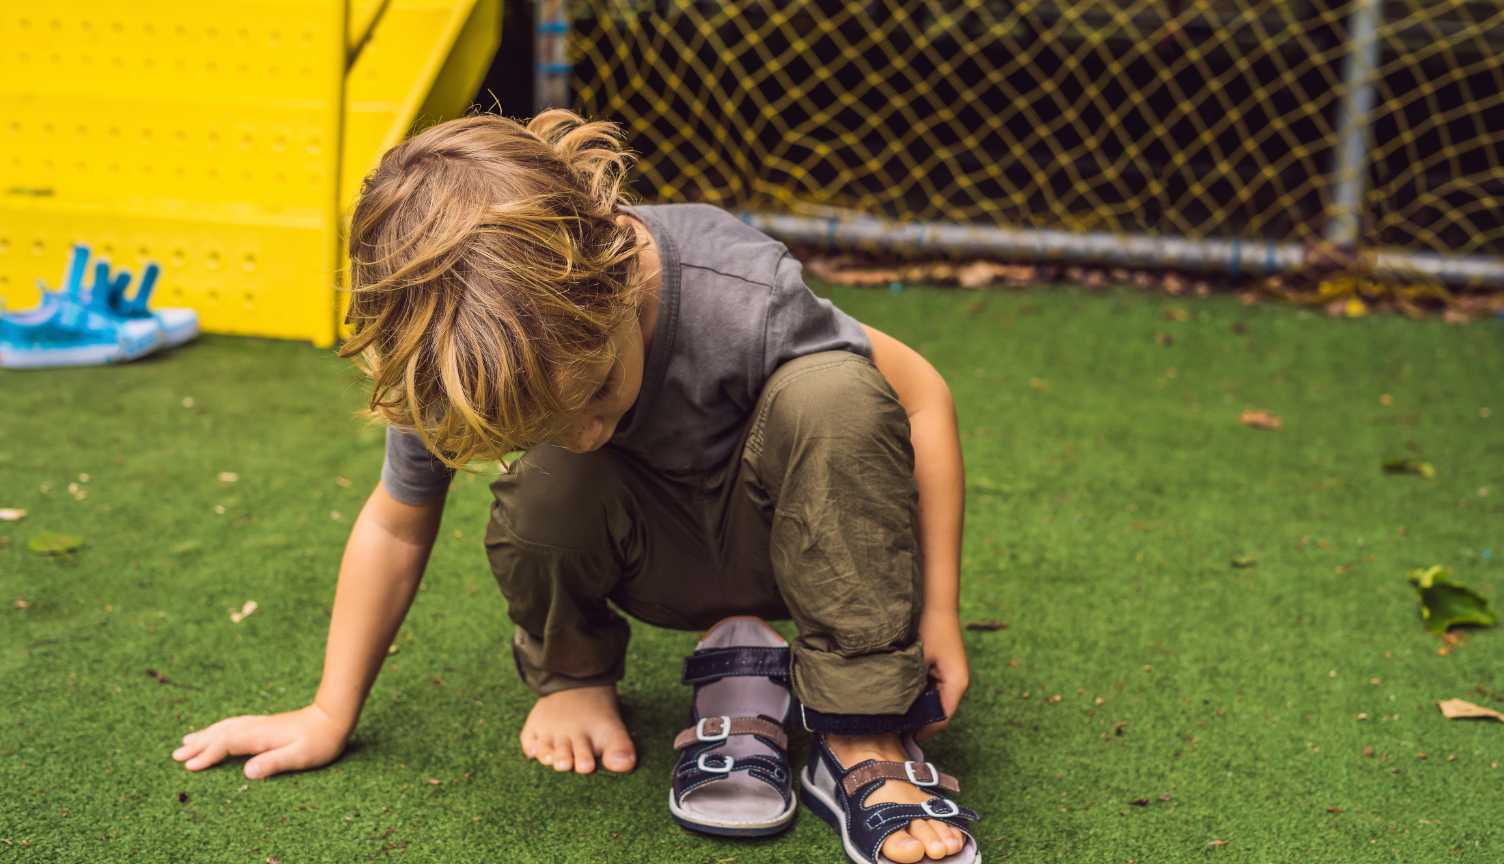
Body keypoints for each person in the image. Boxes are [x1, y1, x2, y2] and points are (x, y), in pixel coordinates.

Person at [170, 109, 978, 863]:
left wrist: (935, 612)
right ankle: (578, 674)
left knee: (834, 391)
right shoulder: (455, 348)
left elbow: (922, 394)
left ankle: (863, 727)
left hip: (794, 544)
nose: (588, 431)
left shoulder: (734, 283)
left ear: (619, 276)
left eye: (595, 391)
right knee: (551, 482)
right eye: (548, 420)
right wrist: (327, 713)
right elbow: (395, 525)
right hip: (646, 556)